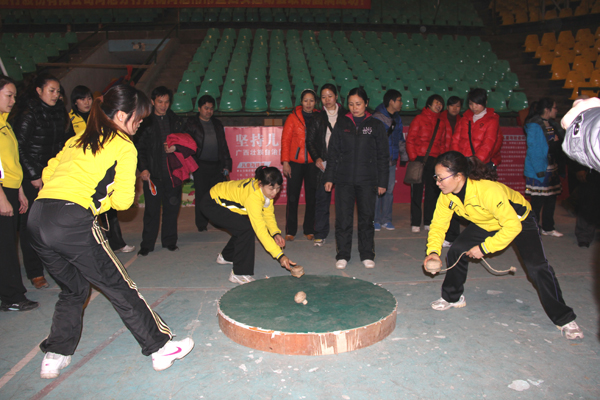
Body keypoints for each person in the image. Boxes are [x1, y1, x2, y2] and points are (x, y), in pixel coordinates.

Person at [27, 85, 194, 379]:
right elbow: (124, 201)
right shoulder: (124, 144)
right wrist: (99, 202)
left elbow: (47, 174)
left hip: (38, 218)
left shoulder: (78, 138)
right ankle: (160, 347)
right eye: (138, 119)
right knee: (119, 286)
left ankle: (55, 355)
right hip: (73, 220)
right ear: (120, 115)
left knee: (74, 289)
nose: (140, 124)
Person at [423, 151, 583, 340]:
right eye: (436, 177)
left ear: (458, 176)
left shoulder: (488, 191)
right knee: (457, 250)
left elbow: (512, 226)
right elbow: (438, 225)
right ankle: (453, 297)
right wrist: (433, 252)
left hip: (519, 220)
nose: (437, 182)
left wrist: (484, 248)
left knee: (537, 268)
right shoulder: (447, 196)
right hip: (487, 222)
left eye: (441, 178)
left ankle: (565, 318)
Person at [12, 73, 73, 290]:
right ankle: (35, 272)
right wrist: (34, 175)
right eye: (51, 91)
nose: (56, 95)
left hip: (51, 176)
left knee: (53, 224)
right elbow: (19, 147)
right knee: (31, 226)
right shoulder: (28, 114)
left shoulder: (58, 112)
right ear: (38, 91)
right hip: (31, 178)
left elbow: (61, 144)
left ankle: (57, 265)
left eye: (58, 91)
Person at [324, 87, 389, 270]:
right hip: (344, 180)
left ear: (366, 103)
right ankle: (343, 255)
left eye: (358, 104)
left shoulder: (375, 125)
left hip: (367, 181)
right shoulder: (342, 123)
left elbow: (383, 156)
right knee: (343, 219)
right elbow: (333, 153)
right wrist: (329, 177)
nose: (354, 108)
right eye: (351, 104)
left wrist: (382, 181)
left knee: (366, 219)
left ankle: (367, 254)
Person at [198, 166, 296, 284]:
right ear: (260, 184)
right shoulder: (253, 197)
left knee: (242, 227)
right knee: (245, 229)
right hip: (212, 203)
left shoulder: (265, 191)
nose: (275, 193)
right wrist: (280, 255)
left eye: (278, 188)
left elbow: (268, 214)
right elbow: (260, 230)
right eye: (272, 189)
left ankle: (226, 257)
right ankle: (239, 274)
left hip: (217, 197)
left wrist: (275, 233)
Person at [71, 85, 135, 253]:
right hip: (81, 185)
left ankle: (116, 242)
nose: (86, 102)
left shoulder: (114, 137)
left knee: (108, 213)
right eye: (82, 98)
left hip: (94, 182)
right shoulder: (72, 123)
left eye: (89, 98)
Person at [0, 76, 38, 312]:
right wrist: (2, 197)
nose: (13, 100)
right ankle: (12, 297)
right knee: (5, 247)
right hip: (2, 192)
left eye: (14, 96)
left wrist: (20, 191)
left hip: (12, 189)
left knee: (8, 245)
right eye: (8, 95)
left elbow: (11, 162)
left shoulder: (5, 124)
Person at [136, 86, 186, 256]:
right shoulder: (145, 122)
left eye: (166, 102)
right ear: (152, 102)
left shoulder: (176, 121)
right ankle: (147, 244)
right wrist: (143, 168)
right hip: (153, 175)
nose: (163, 105)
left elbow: (187, 143)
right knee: (152, 211)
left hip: (173, 174)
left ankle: (169, 241)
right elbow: (140, 148)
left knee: (172, 209)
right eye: (160, 102)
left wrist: (176, 148)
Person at [306, 84, 346, 246]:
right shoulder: (317, 117)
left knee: (344, 201)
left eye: (330, 96)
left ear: (336, 97)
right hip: (324, 163)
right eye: (323, 97)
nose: (327, 100)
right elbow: (310, 141)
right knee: (322, 199)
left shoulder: (346, 115)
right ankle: (320, 233)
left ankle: (343, 232)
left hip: (343, 162)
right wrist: (316, 158)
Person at [185, 94, 232, 232]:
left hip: (217, 165)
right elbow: (186, 145)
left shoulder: (217, 124)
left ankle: (218, 221)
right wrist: (192, 163)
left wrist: (227, 164)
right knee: (201, 196)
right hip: (200, 166)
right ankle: (201, 224)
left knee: (218, 196)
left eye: (211, 108)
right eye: (206, 108)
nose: (209, 111)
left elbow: (223, 146)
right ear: (199, 108)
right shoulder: (191, 124)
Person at [406, 94, 448, 233]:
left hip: (434, 161)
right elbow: (410, 139)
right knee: (417, 193)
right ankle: (416, 222)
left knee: (432, 193)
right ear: (429, 104)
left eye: (441, 103)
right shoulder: (419, 118)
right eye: (436, 102)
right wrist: (414, 157)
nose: (439, 105)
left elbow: (442, 143)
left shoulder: (441, 122)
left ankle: (428, 221)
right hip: (419, 159)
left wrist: (441, 161)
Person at [281, 89, 319, 242]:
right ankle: (290, 230)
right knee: (292, 197)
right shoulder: (293, 117)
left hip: (313, 164)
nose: (308, 104)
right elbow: (285, 140)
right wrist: (285, 162)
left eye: (311, 100)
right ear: (301, 102)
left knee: (312, 198)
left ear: (315, 102)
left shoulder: (319, 117)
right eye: (305, 100)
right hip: (295, 164)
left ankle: (309, 229)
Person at [524, 98, 564, 237]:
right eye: (555, 108)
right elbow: (534, 149)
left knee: (551, 199)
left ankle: (548, 227)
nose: (556, 110)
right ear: (547, 109)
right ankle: (533, 228)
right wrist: (539, 170)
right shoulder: (534, 125)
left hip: (551, 166)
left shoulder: (551, 123)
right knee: (537, 201)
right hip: (540, 168)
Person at [372, 89, 405, 231]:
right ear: (391, 101)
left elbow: (400, 138)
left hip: (391, 161)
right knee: (376, 191)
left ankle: (386, 219)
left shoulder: (397, 118)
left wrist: (404, 155)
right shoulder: (377, 117)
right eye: (399, 100)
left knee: (389, 190)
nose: (401, 103)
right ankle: (375, 219)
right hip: (378, 161)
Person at [451, 88, 502, 170]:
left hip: (480, 163)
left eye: (477, 104)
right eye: (471, 104)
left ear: (485, 102)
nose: (474, 107)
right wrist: (458, 159)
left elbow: (488, 144)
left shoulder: (492, 121)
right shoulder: (464, 119)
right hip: (463, 162)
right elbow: (455, 140)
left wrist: (476, 161)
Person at [439, 96, 463, 247]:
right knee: (447, 199)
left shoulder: (464, 121)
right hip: (444, 162)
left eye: (458, 106)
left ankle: (456, 236)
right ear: (447, 107)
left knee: (459, 199)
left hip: (458, 162)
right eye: (452, 105)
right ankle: (448, 234)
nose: (455, 108)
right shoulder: (440, 119)